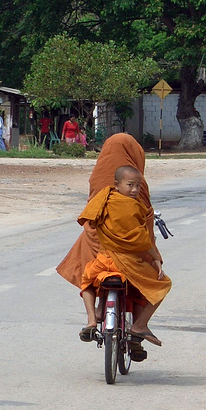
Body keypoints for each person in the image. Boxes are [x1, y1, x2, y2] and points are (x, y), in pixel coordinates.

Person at [57, 134, 168, 353]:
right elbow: (143, 231)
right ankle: (137, 333)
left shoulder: (102, 181)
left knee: (86, 272)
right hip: (131, 253)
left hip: (100, 250)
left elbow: (88, 217)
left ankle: (95, 314)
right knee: (151, 279)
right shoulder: (139, 186)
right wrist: (155, 257)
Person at [76, 165, 172, 347]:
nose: (135, 190)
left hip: (104, 261)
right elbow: (142, 239)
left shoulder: (104, 199)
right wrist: (155, 258)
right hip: (128, 263)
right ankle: (140, 325)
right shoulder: (134, 207)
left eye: (138, 186)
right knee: (163, 284)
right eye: (130, 185)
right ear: (117, 185)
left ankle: (91, 319)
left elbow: (91, 223)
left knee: (87, 281)